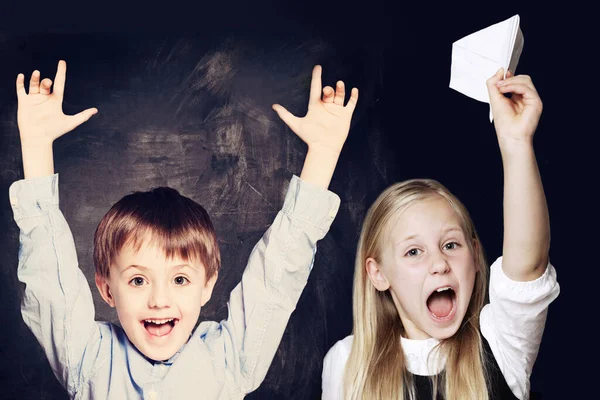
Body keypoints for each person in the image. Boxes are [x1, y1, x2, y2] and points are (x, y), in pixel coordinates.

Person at [9, 60, 358, 399]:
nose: (159, 300)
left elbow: (277, 275)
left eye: (179, 280)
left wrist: (323, 153)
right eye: (137, 280)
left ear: (207, 285)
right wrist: (37, 146)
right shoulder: (87, 358)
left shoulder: (229, 359)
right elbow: (50, 279)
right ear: (106, 289)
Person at [322, 68, 560, 400]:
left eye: (450, 244)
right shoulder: (348, 363)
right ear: (378, 274)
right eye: (413, 252)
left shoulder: (499, 341)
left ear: (475, 256)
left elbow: (528, 266)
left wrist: (517, 141)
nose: (439, 264)